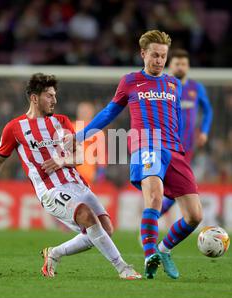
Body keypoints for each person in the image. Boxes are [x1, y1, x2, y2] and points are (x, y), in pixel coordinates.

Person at [0, 73, 141, 280]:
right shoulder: (14, 128)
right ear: (34, 98)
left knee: (106, 229)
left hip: (78, 184)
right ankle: (123, 268)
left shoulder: (62, 121)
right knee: (87, 216)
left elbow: (80, 155)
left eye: (54, 95)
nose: (54, 100)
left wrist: (61, 161)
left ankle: (55, 253)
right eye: (49, 96)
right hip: (50, 190)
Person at [65, 30, 203, 280]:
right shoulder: (130, 81)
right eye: (154, 55)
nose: (159, 60)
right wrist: (81, 135)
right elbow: (109, 112)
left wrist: (183, 148)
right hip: (145, 145)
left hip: (174, 150)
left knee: (194, 216)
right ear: (143, 54)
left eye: (163, 56)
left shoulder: (174, 84)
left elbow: (178, 120)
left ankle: (163, 249)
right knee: (155, 198)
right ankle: (149, 254)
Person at [160, 49, 213, 216]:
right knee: (159, 184)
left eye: (184, 64)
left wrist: (204, 131)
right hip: (163, 144)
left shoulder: (196, 88)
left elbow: (208, 111)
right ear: (170, 65)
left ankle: (152, 218)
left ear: (188, 66)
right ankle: (151, 219)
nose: (181, 67)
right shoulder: (161, 86)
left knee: (178, 187)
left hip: (185, 147)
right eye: (177, 64)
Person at [74, 101, 107, 187]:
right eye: (83, 110)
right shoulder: (70, 127)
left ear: (92, 113)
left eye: (87, 110)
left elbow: (101, 154)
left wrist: (100, 172)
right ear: (78, 112)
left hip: (88, 175)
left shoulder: (98, 131)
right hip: (71, 173)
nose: (85, 113)